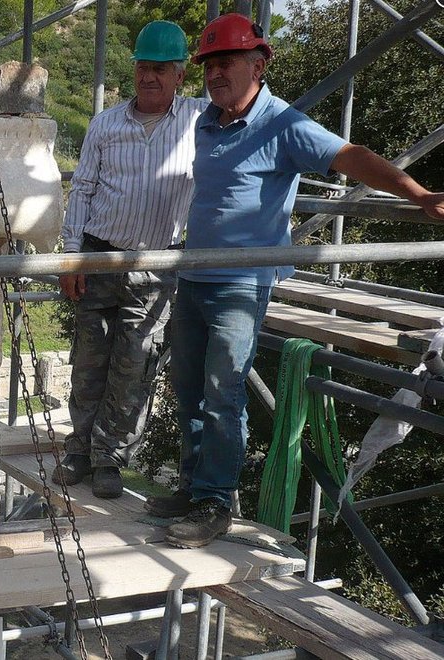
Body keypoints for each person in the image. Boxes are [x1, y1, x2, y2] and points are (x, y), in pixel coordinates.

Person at [147, 13, 444, 547]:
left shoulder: (283, 124)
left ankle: (215, 501)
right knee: (187, 387)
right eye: (210, 65)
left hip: (241, 283)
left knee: (222, 391)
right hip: (194, 274)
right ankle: (193, 487)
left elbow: (350, 157)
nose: (216, 74)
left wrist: (417, 194)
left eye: (227, 63)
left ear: (258, 65)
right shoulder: (207, 122)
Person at [51, 21, 209, 498]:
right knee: (90, 360)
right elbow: (81, 190)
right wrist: (72, 256)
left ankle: (110, 459)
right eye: (143, 67)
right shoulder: (106, 124)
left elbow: (250, 116)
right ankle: (78, 450)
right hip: (100, 256)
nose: (149, 78)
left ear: (180, 75)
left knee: (135, 365)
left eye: (160, 69)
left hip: (157, 263)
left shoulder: (200, 121)